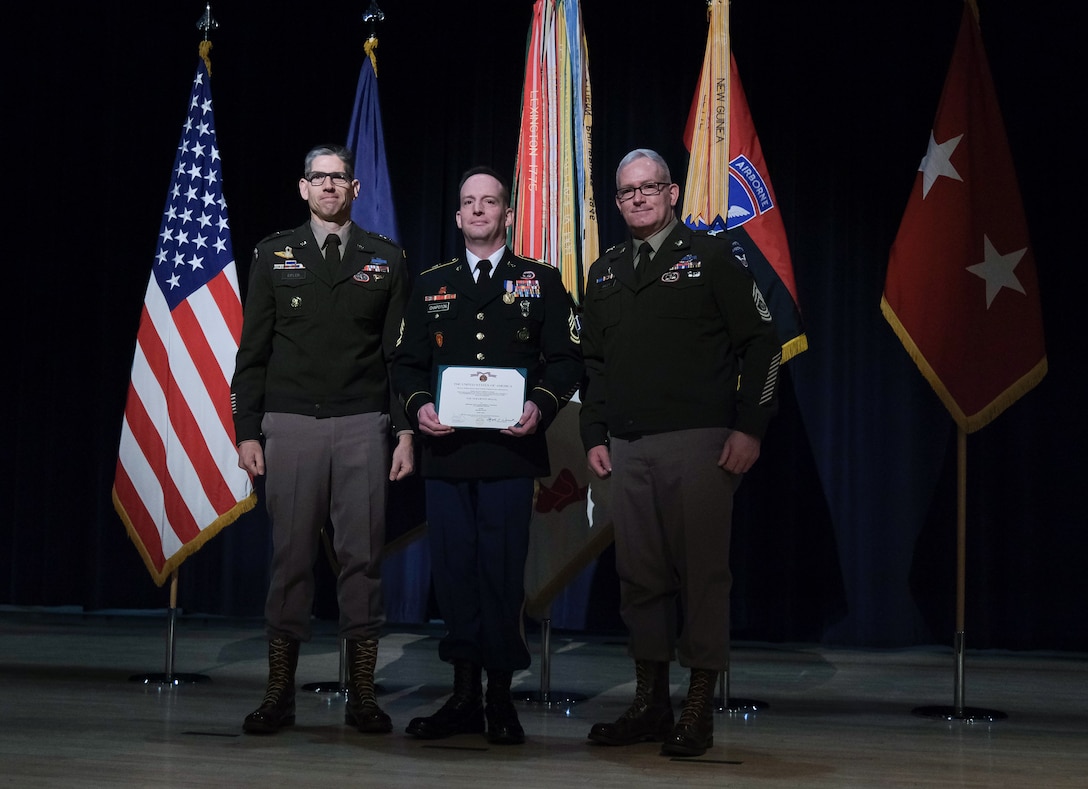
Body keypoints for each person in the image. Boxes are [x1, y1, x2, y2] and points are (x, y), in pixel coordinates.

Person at [579, 149, 781, 758]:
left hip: (699, 444)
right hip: (627, 447)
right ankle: (650, 703)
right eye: (627, 192)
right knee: (638, 579)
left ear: (672, 194)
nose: (639, 198)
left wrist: (751, 427)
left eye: (651, 187)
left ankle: (698, 707)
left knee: (701, 577)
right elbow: (594, 363)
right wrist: (593, 433)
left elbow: (762, 344)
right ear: (617, 203)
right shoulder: (605, 271)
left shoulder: (714, 256)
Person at [392, 165, 583, 745]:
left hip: (509, 454)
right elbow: (405, 363)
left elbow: (569, 360)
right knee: (454, 575)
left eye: (490, 201)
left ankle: (500, 697)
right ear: (458, 216)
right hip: (447, 456)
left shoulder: (541, 280)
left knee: (500, 575)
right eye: (469, 202)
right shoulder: (431, 284)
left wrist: (542, 406)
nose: (478, 210)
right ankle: (463, 695)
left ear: (508, 214)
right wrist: (421, 405)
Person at [231, 143, 414, 735]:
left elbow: (398, 359)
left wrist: (405, 431)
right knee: (290, 560)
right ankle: (278, 694)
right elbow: (251, 354)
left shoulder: (385, 259)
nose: (330, 187)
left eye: (340, 178)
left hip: (363, 425)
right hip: (290, 425)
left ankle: (362, 693)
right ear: (303, 188)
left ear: (354, 190)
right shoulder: (271, 253)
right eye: (320, 178)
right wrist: (246, 432)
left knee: (362, 560)